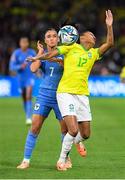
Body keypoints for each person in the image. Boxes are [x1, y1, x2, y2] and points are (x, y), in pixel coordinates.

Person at [27, 10, 114, 171]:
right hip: (65, 92)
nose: (93, 36)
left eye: (94, 36)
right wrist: (37, 57)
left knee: (85, 133)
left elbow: (109, 44)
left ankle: (74, 141)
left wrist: (109, 26)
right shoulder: (71, 48)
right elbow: (53, 53)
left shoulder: (94, 54)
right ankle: (62, 161)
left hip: (82, 95)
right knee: (72, 130)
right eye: (90, 34)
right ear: (82, 38)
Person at [17, 28, 72, 170]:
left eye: (54, 36)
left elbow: (71, 70)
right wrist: (40, 53)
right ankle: (26, 160)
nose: (52, 38)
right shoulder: (43, 55)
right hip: (44, 96)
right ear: (45, 40)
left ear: (58, 39)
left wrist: (60, 61)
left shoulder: (66, 54)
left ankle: (65, 158)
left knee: (65, 130)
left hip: (61, 96)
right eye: (49, 37)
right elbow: (33, 69)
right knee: (34, 127)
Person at [9, 37, 36, 125]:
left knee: (28, 96)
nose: (24, 44)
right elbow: (11, 66)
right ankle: (27, 114)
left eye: (25, 42)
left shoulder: (32, 52)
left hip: (30, 77)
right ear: (20, 44)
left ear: (28, 43)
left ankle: (28, 117)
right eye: (22, 43)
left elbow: (37, 62)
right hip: (20, 79)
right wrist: (19, 67)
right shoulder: (16, 53)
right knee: (24, 98)